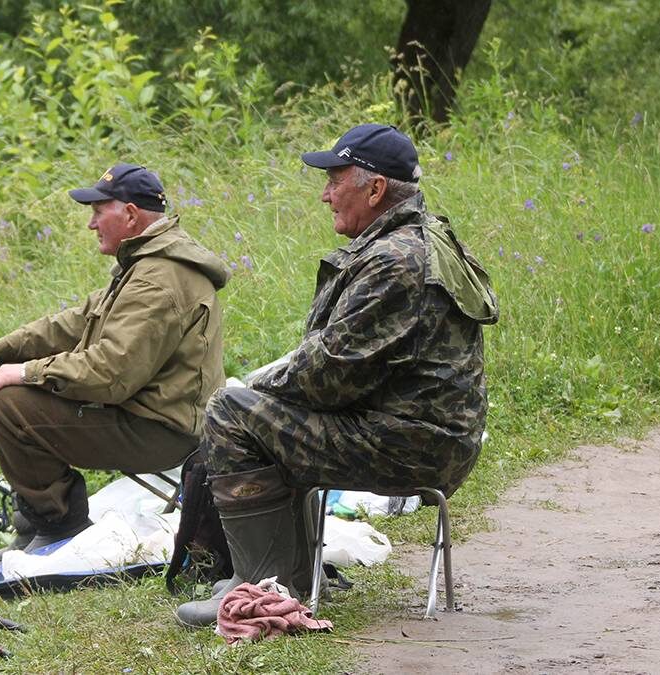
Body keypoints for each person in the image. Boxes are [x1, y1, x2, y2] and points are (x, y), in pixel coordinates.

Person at [175, 124, 499, 626]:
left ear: (375, 189)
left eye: (335, 180)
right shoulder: (417, 240)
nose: (325, 194)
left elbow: (326, 376)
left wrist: (254, 388)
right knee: (257, 409)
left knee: (230, 411)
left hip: (409, 444)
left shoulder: (395, 261)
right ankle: (285, 577)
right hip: (424, 434)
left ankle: (267, 595)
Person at [0, 163, 230, 555]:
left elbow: (111, 373)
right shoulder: (147, 264)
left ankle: (60, 525)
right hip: (154, 414)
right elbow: (75, 322)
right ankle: (37, 523)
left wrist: (26, 372)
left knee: (9, 404)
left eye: (99, 211)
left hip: (162, 431)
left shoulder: (157, 278)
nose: (91, 223)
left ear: (131, 215)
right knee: (14, 392)